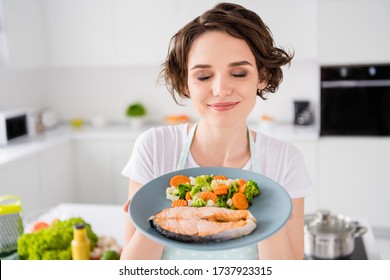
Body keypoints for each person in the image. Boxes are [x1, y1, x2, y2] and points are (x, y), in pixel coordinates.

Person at [120, 2, 314, 260]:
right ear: (185, 83)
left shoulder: (285, 160)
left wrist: (272, 215)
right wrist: (157, 213)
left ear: (262, 76)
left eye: (238, 73)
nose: (221, 89)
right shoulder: (154, 147)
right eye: (203, 76)